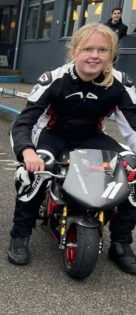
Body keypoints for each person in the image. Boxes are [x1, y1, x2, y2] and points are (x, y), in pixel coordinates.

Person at [7, 23, 136, 274]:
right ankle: (20, 235)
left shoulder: (121, 83)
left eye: (102, 50)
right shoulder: (54, 79)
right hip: (53, 136)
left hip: (92, 137)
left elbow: (133, 125)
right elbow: (24, 122)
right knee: (33, 172)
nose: (95, 55)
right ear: (74, 51)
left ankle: (121, 243)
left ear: (111, 54)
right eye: (88, 48)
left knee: (134, 173)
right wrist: (27, 152)